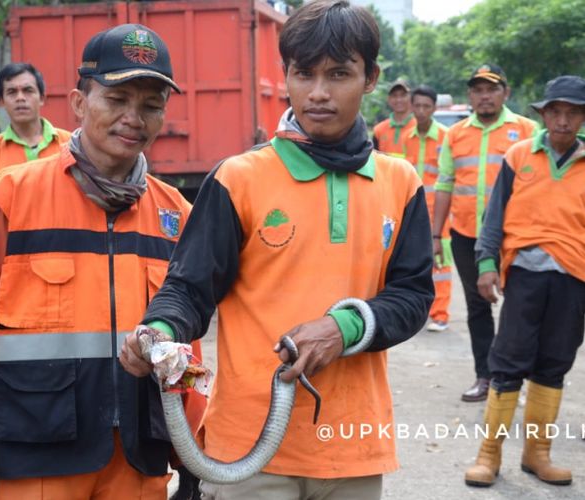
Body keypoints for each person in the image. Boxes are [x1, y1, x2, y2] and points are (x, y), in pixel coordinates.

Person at [120, 2, 434, 499]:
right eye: (303, 74)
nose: (319, 93)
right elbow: (189, 288)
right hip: (247, 449)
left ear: (370, 77)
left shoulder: (401, 182)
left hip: (350, 445)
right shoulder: (239, 178)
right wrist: (157, 331)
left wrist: (344, 327)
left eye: (339, 73)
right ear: (284, 75)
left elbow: (413, 297)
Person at [0, 23, 205, 500]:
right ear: (79, 103)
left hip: (139, 456)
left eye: (151, 106)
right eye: (117, 99)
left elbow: (186, 349)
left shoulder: (176, 216)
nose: (134, 118)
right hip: (37, 451)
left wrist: (192, 448)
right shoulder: (11, 198)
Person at [464, 75, 585, 488]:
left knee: (553, 364)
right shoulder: (519, 155)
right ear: (544, 115)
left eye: (573, 113)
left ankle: (538, 454)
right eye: (556, 112)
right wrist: (485, 264)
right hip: (525, 277)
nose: (564, 121)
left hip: (574, 278)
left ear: (582, 118)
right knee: (508, 363)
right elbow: (494, 216)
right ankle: (489, 455)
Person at [432, 64, 537, 402]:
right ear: (470, 96)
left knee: (519, 306)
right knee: (478, 307)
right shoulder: (456, 133)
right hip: (466, 234)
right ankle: (486, 377)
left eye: (491, 89)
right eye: (478, 90)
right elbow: (445, 184)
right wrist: (436, 234)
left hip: (514, 235)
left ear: (505, 93)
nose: (484, 96)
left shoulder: (527, 129)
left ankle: (515, 378)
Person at [404, 85, 451, 332]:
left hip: (439, 210)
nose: (421, 111)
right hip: (412, 208)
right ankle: (418, 311)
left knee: (441, 263)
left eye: (427, 106)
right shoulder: (406, 138)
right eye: (418, 105)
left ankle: (440, 314)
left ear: (434, 108)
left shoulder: (446, 137)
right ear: (411, 106)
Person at [0, 63, 71, 174]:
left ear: (42, 98)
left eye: (28, 90)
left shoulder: (70, 144)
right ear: (1, 101)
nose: (20, 98)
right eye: (12, 92)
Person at [372, 78, 415, 158]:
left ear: (411, 98)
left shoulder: (418, 128)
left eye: (403, 95)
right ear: (389, 99)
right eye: (394, 96)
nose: (398, 100)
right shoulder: (379, 130)